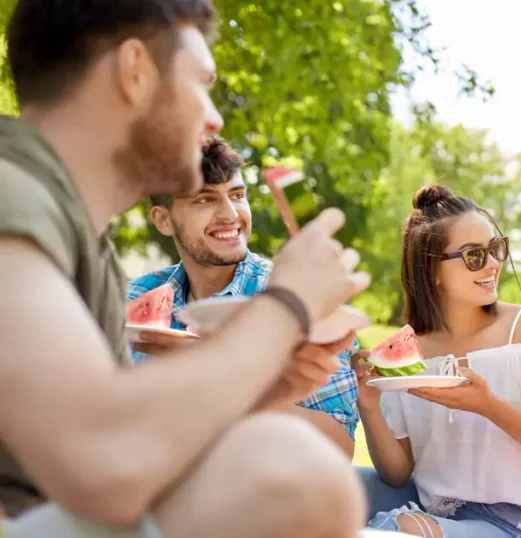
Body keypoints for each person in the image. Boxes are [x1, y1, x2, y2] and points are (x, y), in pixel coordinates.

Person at [0, 1, 371, 537]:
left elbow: (133, 440)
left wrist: (263, 387)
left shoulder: (81, 237)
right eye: (200, 83)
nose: (213, 116)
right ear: (135, 71)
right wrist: (285, 306)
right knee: (290, 474)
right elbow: (105, 461)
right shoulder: (12, 196)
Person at [353, 184, 521, 538]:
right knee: (333, 486)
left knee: (395, 530)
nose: (492, 263)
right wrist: (369, 408)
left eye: (495, 249)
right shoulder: (411, 348)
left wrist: (488, 405)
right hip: (432, 509)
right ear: (432, 270)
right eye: (474, 255)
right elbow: (397, 474)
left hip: (513, 524)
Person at [127, 134, 361, 457]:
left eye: (237, 195)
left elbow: (340, 446)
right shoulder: (135, 298)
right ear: (163, 220)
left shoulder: (298, 296)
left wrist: (219, 378)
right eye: (205, 199)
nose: (230, 214)